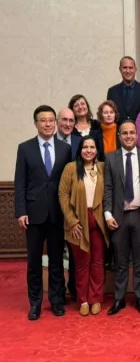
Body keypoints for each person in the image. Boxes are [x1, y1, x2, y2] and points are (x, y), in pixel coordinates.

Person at [15, 105, 71, 320]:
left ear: (55, 123)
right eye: (43, 120)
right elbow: (20, 183)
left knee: (57, 260)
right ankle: (35, 303)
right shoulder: (25, 148)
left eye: (50, 120)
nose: (47, 124)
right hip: (33, 214)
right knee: (34, 261)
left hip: (57, 213)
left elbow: (67, 183)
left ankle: (57, 301)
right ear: (36, 123)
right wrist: (21, 212)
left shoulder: (64, 149)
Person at [104, 121, 140, 315]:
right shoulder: (110, 158)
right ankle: (119, 298)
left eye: (132, 132)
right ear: (119, 136)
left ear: (137, 136)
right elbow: (108, 188)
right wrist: (107, 213)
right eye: (125, 133)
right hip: (119, 217)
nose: (129, 136)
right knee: (121, 262)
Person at [58, 136, 108, 316]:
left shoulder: (103, 167)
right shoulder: (71, 168)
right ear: (79, 150)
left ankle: (96, 299)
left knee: (97, 262)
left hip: (99, 221)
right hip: (78, 221)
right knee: (81, 263)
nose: (88, 150)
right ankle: (83, 300)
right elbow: (63, 195)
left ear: (97, 150)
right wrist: (72, 221)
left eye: (92, 147)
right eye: (85, 147)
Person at [54, 107, 81, 301]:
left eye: (71, 121)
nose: (68, 124)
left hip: (76, 205)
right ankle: (58, 294)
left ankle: (74, 288)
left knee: (75, 251)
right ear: (57, 121)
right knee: (56, 251)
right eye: (64, 120)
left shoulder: (79, 142)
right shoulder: (49, 141)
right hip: (53, 206)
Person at [107, 56, 140, 123]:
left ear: (135, 69)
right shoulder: (112, 92)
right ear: (120, 69)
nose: (128, 71)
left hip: (139, 129)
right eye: (125, 68)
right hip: (118, 129)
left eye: (131, 68)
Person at [69, 94, 104, 160]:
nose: (80, 107)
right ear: (72, 110)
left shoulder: (97, 125)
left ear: (87, 106)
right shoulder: (70, 129)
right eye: (76, 106)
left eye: (82, 104)